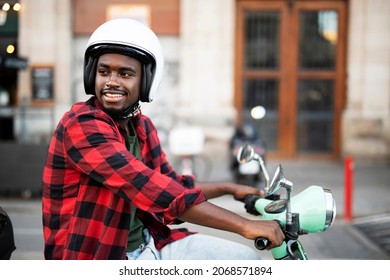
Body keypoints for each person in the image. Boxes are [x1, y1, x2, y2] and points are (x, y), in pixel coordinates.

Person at [41, 18, 284, 260]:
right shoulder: (82, 125)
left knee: (244, 259)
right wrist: (244, 225)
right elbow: (149, 188)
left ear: (146, 81)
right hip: (102, 257)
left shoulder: (142, 127)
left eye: (125, 74)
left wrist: (229, 189)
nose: (111, 82)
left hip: (150, 244)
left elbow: (171, 184)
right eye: (103, 72)